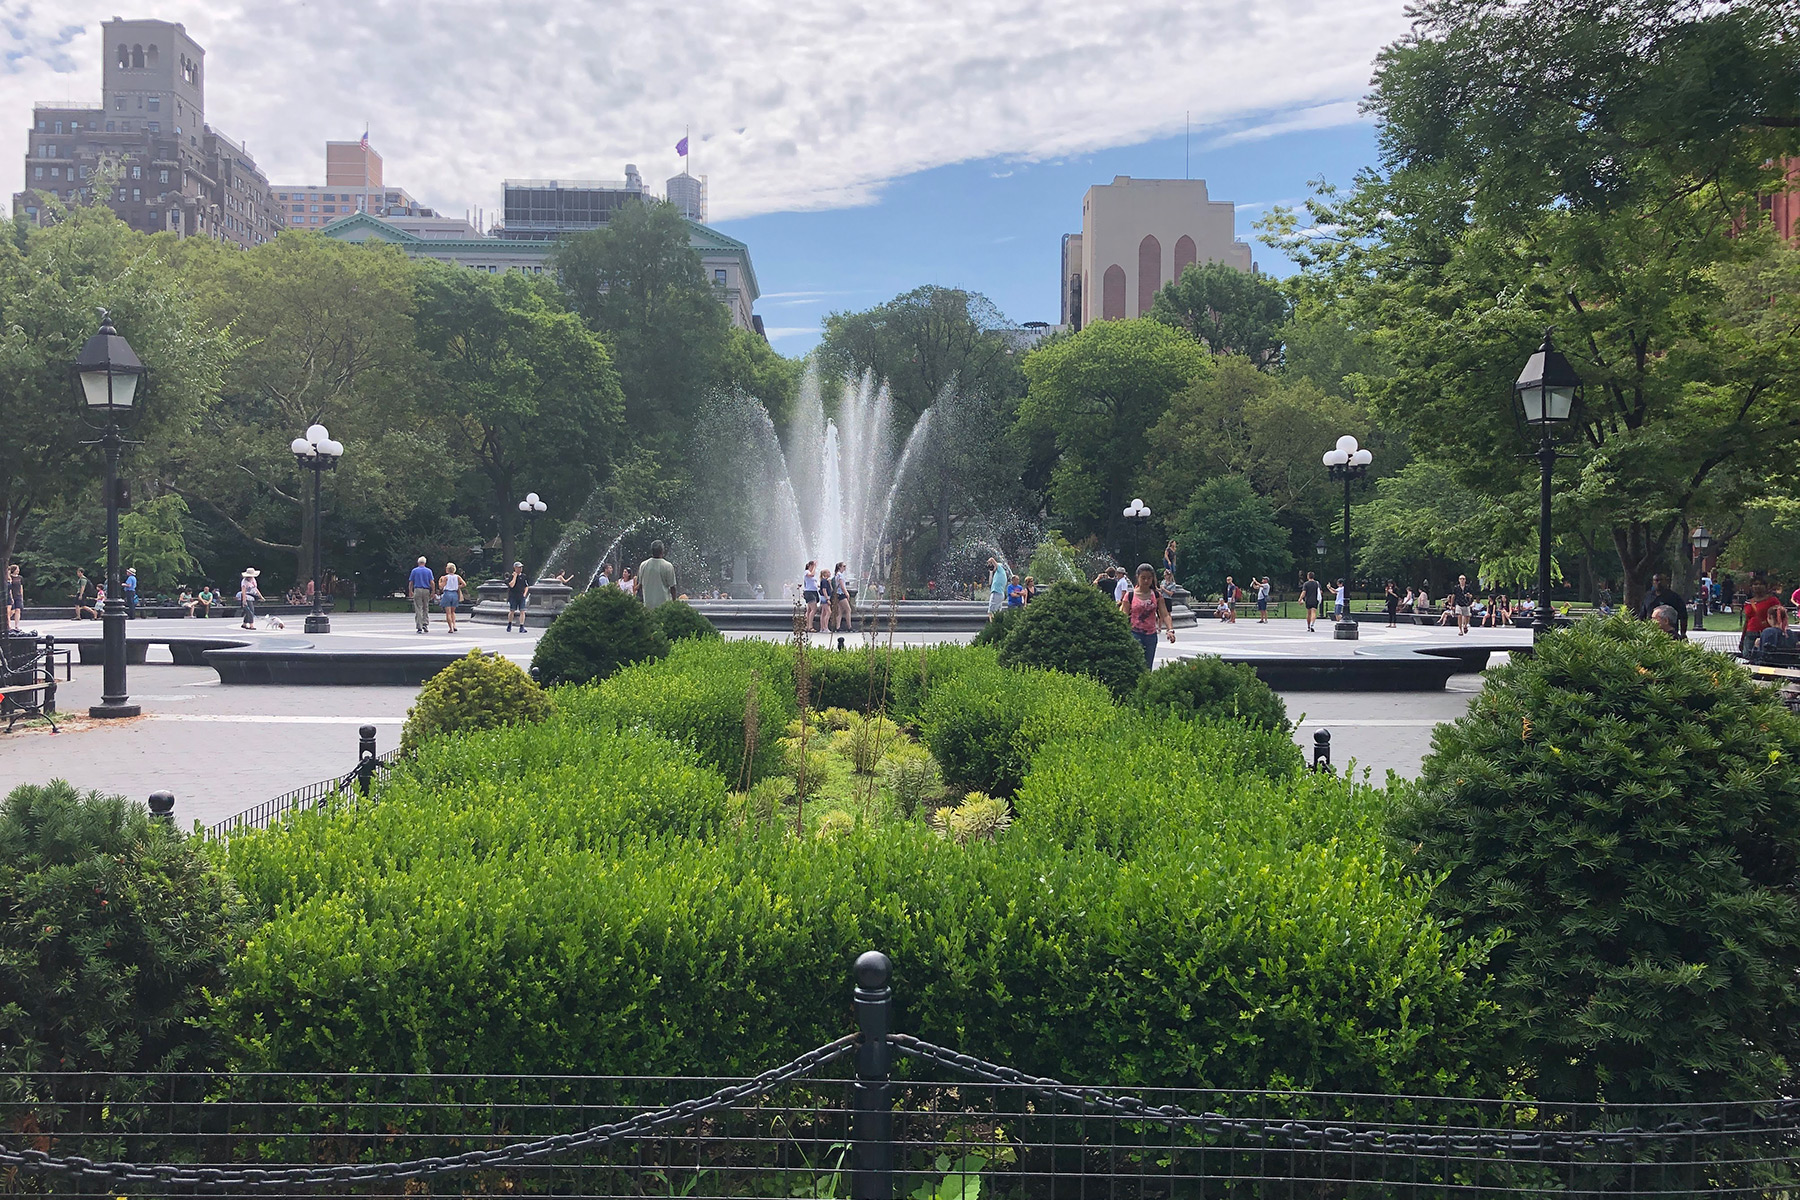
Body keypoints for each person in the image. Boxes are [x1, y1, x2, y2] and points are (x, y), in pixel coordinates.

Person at [1121, 563, 1177, 669]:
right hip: (1134, 634)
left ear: (1153, 579)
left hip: (1151, 635)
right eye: (1143, 578)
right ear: (1137, 577)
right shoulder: (1130, 595)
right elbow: (1123, 616)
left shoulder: (1156, 595)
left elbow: (1165, 614)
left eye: (1149, 578)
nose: (1146, 581)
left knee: (1148, 667)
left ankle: (1145, 685)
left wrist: (1170, 630)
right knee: (1136, 665)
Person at [1637, 572, 1689, 638]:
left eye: (1661, 580)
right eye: (1656, 580)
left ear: (1666, 581)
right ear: (1653, 582)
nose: (1658, 582)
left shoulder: (1674, 597)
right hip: (1651, 634)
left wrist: (1683, 633)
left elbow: (1683, 617)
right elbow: (1642, 616)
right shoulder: (1648, 597)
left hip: (1669, 634)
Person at [637, 539, 677, 610]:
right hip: (664, 606)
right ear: (662, 551)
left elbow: (640, 586)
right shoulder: (668, 566)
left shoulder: (643, 565)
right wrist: (675, 603)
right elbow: (672, 587)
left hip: (648, 605)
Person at [408, 556, 435, 633]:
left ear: (418, 562)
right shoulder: (429, 571)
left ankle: (419, 626)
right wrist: (433, 591)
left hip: (417, 589)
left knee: (418, 608)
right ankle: (425, 624)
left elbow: (411, 582)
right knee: (425, 607)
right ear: (425, 563)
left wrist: (410, 591)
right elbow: (432, 582)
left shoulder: (414, 571)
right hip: (426, 590)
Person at [438, 562, 465, 633]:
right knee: (453, 612)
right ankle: (454, 625)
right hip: (454, 594)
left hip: (447, 593)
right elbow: (464, 584)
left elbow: (441, 587)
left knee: (448, 612)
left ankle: (451, 628)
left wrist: (439, 582)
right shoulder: (457, 577)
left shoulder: (445, 577)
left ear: (447, 569)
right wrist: (457, 586)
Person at [505, 561, 530, 632]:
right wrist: (515, 577)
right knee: (512, 610)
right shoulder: (511, 576)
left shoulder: (524, 576)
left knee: (522, 611)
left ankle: (521, 626)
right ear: (515, 568)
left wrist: (525, 594)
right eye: (519, 567)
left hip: (521, 596)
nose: (520, 569)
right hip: (513, 596)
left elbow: (526, 586)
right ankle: (509, 623)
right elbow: (511, 585)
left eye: (521, 567)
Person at [986, 556, 1010, 622]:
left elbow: (991, 559)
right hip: (999, 594)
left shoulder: (1000, 569)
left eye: (993, 566)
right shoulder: (998, 574)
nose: (992, 567)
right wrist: (990, 573)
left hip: (996, 593)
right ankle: (997, 625)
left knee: (991, 612)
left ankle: (992, 626)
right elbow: (990, 583)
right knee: (997, 613)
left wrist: (989, 561)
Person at [832, 562, 854, 629]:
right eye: (844, 566)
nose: (845, 567)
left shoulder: (837, 575)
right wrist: (846, 593)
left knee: (840, 611)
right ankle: (849, 627)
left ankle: (838, 627)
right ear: (840, 567)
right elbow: (842, 586)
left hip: (838, 594)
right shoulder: (840, 575)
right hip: (841, 594)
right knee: (848, 610)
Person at [802, 561, 821, 629]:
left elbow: (813, 582)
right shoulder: (806, 572)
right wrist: (815, 567)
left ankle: (807, 625)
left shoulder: (811, 574)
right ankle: (810, 626)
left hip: (813, 591)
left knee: (809, 610)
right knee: (814, 609)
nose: (814, 567)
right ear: (810, 565)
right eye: (813, 565)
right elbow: (812, 575)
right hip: (809, 592)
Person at [5, 563, 22, 631]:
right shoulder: (7, 579)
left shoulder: (11, 579)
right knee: (9, 611)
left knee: (14, 610)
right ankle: (8, 625)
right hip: (7, 596)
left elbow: (20, 587)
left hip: (12, 595)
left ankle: (14, 625)